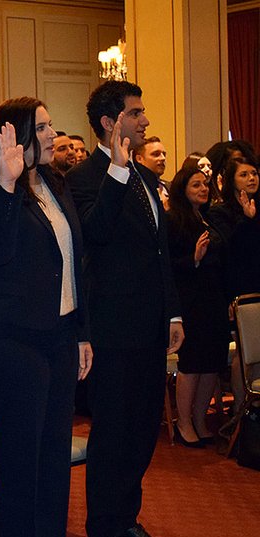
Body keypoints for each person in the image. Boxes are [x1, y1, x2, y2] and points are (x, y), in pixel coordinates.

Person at [0, 98, 92, 537]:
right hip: (12, 340)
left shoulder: (55, 183)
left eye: (51, 125)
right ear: (14, 134)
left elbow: (75, 262)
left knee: (55, 453)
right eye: (41, 127)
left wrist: (81, 332)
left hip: (59, 335)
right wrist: (7, 182)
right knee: (21, 457)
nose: (51, 134)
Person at [68, 80, 183, 537]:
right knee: (113, 436)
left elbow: (160, 252)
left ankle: (125, 519)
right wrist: (116, 170)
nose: (145, 121)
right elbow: (95, 235)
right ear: (110, 122)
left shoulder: (144, 177)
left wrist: (172, 312)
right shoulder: (82, 178)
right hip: (112, 332)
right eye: (136, 114)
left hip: (150, 327)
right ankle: (105, 526)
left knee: (140, 433)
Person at [165, 161, 230, 447]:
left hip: (213, 300)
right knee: (192, 364)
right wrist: (193, 258)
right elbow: (166, 266)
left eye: (205, 184)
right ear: (182, 189)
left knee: (211, 363)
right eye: (196, 184)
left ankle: (201, 419)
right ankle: (185, 422)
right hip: (189, 301)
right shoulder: (173, 220)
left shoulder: (208, 218)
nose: (203, 189)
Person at [207, 157, 260, 298]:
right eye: (244, 175)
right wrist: (247, 219)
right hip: (238, 287)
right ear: (232, 180)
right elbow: (230, 248)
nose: (252, 178)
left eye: (254, 173)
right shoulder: (219, 212)